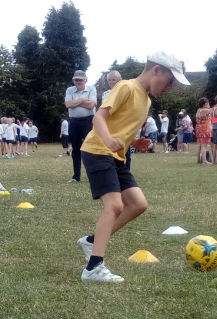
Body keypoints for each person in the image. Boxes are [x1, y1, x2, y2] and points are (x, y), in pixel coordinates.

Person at [77, 52, 189, 282]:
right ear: (156, 70)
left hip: (117, 157)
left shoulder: (146, 100)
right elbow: (99, 117)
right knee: (115, 205)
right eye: (170, 81)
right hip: (98, 151)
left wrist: (136, 142)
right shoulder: (126, 87)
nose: (169, 87)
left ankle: (91, 241)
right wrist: (108, 139)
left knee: (138, 204)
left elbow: (123, 127)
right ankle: (93, 268)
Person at [65, 70, 97, 182]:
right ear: (73, 80)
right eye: (76, 80)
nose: (78, 82)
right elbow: (68, 104)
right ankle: (76, 176)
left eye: (80, 79)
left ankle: (94, 175)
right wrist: (83, 99)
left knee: (91, 148)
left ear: (85, 80)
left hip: (88, 120)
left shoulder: (92, 88)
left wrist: (75, 102)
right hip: (74, 122)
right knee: (76, 149)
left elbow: (91, 105)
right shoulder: (69, 90)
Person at [195, 98, 212, 164]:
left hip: (199, 128)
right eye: (207, 103)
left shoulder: (199, 110)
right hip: (205, 129)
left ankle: (198, 159)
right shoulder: (205, 110)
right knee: (204, 145)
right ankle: (204, 160)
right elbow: (214, 111)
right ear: (204, 104)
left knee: (199, 144)